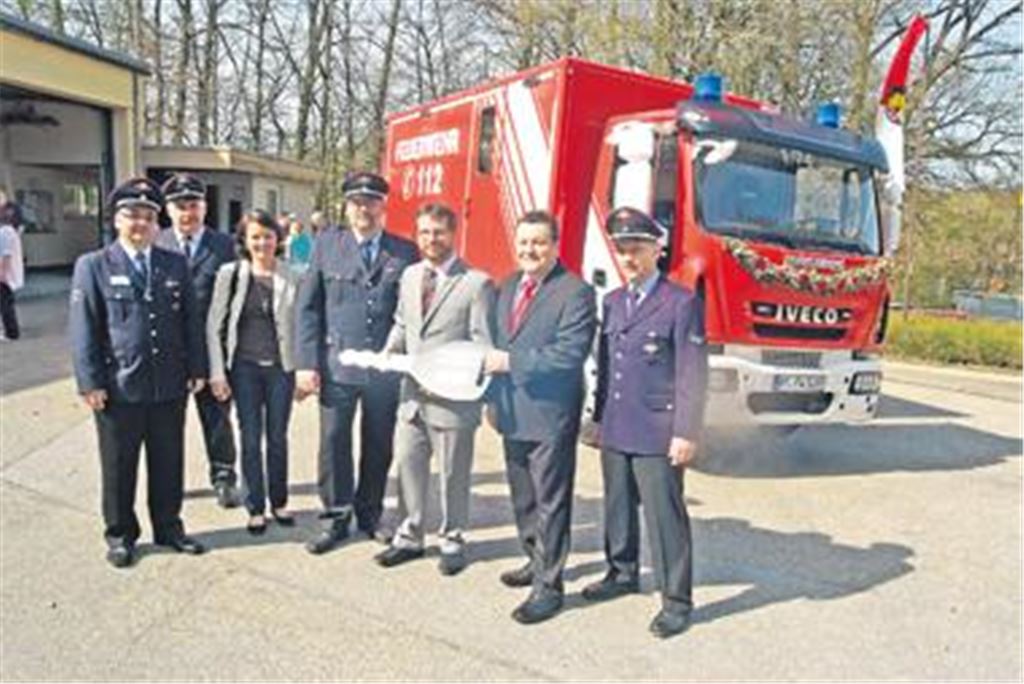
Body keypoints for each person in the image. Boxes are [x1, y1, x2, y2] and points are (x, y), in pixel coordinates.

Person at [69, 178, 207, 568]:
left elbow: (190, 322)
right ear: (117, 219)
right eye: (133, 215)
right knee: (119, 466)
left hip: (168, 384)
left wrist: (196, 367)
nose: (141, 223)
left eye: (149, 216)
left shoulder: (174, 263)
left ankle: (169, 527)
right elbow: (84, 329)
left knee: (169, 461)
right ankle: (120, 535)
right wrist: (90, 381)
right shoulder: (93, 266)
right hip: (118, 388)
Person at [584, 207, 708, 639]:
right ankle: (621, 572)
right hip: (618, 423)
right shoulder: (613, 301)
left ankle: (677, 600)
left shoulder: (680, 302)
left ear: (658, 249)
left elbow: (692, 372)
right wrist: (598, 419)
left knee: (664, 516)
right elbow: (605, 364)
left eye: (637, 249)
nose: (629, 258)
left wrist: (687, 431)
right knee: (617, 505)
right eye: (623, 250)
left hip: (659, 429)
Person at [482, 210, 597, 624]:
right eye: (524, 242)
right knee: (523, 497)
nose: (529, 250)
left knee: (550, 501)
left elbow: (568, 355)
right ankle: (535, 559)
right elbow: (495, 342)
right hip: (511, 411)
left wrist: (510, 362)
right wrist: (493, 402)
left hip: (550, 414)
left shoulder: (576, 292)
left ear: (555, 246)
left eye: (539, 242)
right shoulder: (509, 285)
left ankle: (550, 586)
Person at [294, 171, 418, 554]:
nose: (364, 209)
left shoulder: (404, 252)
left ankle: (369, 515)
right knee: (334, 441)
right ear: (346, 207)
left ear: (384, 206)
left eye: (372, 202)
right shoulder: (326, 246)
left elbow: (413, 315)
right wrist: (305, 363)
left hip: (384, 369)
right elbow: (307, 308)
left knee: (379, 442)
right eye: (357, 202)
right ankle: (335, 516)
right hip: (338, 363)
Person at [373, 203, 494, 575]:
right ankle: (410, 536)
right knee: (408, 465)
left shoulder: (476, 283)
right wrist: (387, 352)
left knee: (454, 476)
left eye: (438, 232)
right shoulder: (410, 276)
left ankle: (453, 540)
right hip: (411, 397)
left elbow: (483, 343)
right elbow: (402, 324)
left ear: (452, 234)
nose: (431, 239)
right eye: (424, 232)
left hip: (453, 402)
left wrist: (476, 392)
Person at [207, 211, 300, 535]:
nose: (262, 242)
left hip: (280, 371)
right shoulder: (230, 274)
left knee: (277, 438)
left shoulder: (293, 275)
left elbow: (301, 327)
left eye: (268, 236)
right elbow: (214, 327)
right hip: (243, 370)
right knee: (249, 437)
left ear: (279, 239)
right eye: (255, 236)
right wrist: (217, 373)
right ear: (245, 241)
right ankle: (255, 506)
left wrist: (303, 371)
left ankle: (279, 501)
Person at [155, 173, 241, 508]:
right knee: (165, 425)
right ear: (168, 209)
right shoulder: (156, 243)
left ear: (204, 207)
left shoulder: (225, 247)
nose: (187, 213)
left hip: (212, 353)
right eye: (180, 206)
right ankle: (169, 482)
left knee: (218, 418)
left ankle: (223, 476)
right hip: (168, 355)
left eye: (193, 205)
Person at [0, 202, 25, 341]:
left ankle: (11, 332)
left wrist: (2, 273)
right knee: (7, 303)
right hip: (9, 275)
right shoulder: (12, 232)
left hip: (5, 276)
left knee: (5, 304)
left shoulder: (5, 232)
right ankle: (10, 330)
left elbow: (5, 255)